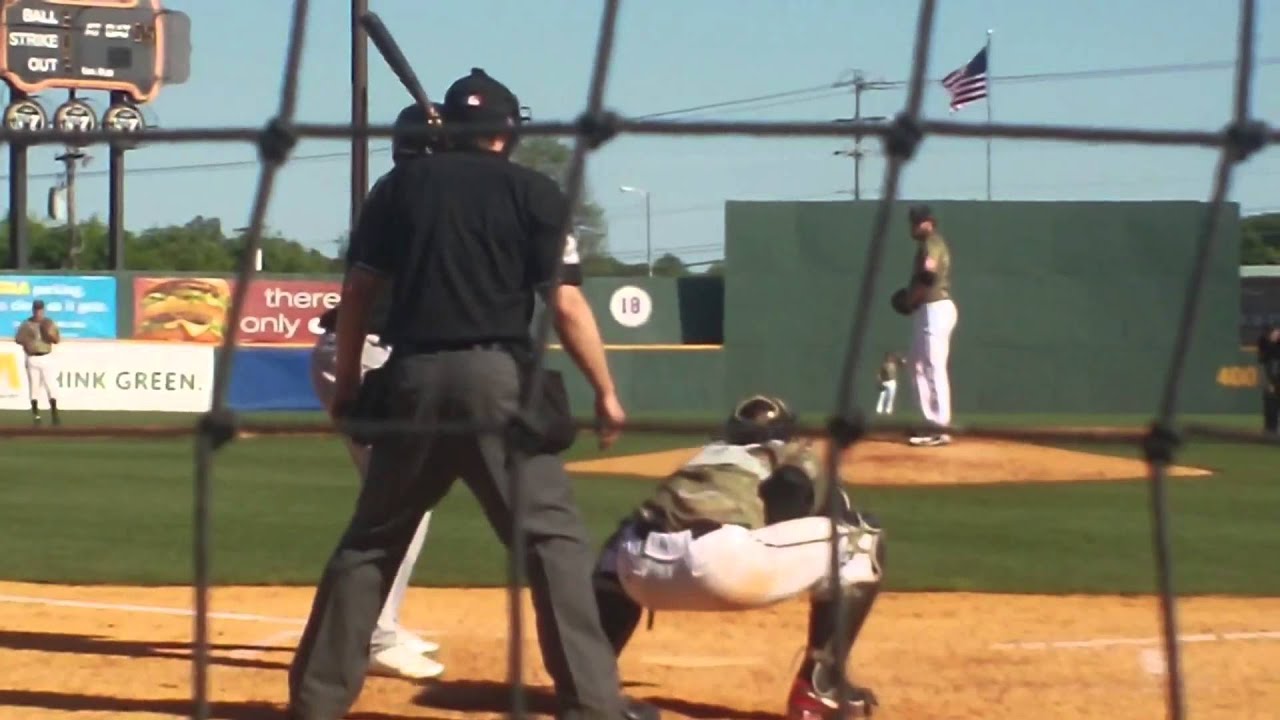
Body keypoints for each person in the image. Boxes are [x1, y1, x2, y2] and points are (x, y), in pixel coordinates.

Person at [287, 68, 657, 720]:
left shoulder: (398, 188)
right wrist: (606, 390)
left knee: (372, 541)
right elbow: (565, 304)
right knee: (553, 545)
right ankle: (595, 706)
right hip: (499, 385)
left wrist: (347, 386)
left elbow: (358, 298)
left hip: (413, 381)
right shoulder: (536, 191)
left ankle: (316, 705)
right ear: (507, 132)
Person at [591, 395, 885, 720]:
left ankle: (590, 683)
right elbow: (796, 492)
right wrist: (834, 456)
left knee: (622, 539)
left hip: (641, 570)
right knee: (862, 537)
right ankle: (821, 686)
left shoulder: (706, 456)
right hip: (719, 566)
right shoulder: (788, 451)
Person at [298, 100, 452, 682]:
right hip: (364, 353)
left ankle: (377, 624)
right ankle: (374, 633)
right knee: (402, 499)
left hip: (372, 349)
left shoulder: (407, 189)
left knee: (406, 498)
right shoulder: (412, 193)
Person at [903, 205, 958, 447]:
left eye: (918, 221)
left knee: (933, 365)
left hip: (936, 308)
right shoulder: (925, 243)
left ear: (929, 223)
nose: (914, 225)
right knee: (916, 364)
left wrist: (911, 298)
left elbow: (928, 275)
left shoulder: (932, 242)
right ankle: (929, 422)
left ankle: (940, 427)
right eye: (913, 221)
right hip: (926, 309)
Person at [13, 299, 61, 427]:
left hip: (46, 356)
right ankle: (36, 415)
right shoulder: (27, 324)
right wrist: (26, 341)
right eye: (36, 309)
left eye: (40, 309)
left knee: (50, 385)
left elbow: (57, 339)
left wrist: (49, 335)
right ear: (33, 310)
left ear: (43, 310)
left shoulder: (49, 323)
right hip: (32, 357)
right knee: (34, 387)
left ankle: (54, 414)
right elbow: (18, 339)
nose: (38, 312)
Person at [1257, 325, 1280, 434]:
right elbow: (1262, 345)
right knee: (1270, 406)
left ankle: (1273, 429)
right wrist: (1269, 383)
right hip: (1271, 382)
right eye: (1275, 333)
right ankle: (1269, 430)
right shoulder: (1267, 348)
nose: (1277, 335)